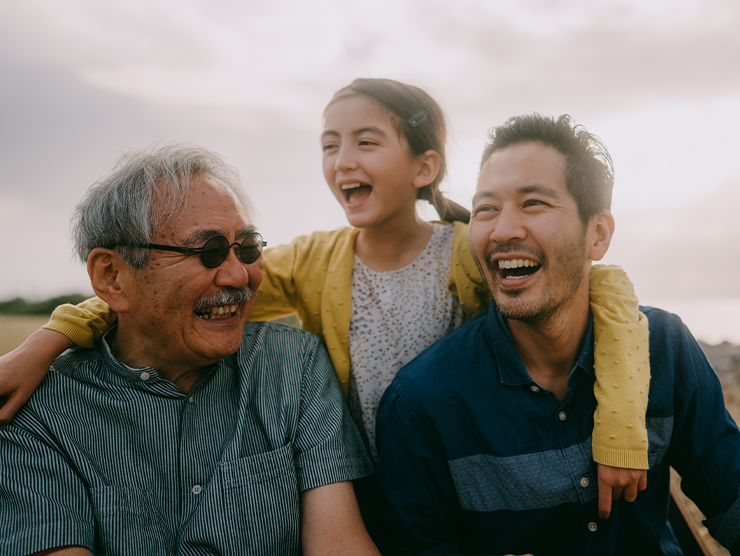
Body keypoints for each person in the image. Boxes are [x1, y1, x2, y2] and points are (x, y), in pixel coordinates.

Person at [1, 79, 646, 515]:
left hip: (466, 478)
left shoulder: (467, 248)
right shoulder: (315, 260)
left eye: (366, 141)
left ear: (424, 167)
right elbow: (189, 280)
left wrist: (621, 431)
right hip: (363, 491)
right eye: (329, 144)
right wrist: (48, 341)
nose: (342, 159)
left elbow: (606, 287)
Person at [372, 114, 740, 555]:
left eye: (533, 203)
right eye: (486, 209)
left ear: (597, 234)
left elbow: (731, 497)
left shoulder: (662, 346)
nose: (502, 229)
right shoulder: (421, 404)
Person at [0, 144, 378, 555]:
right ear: (112, 277)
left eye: (248, 247)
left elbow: (339, 544)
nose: (238, 274)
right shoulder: (38, 412)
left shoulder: (293, 365)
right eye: (208, 252)